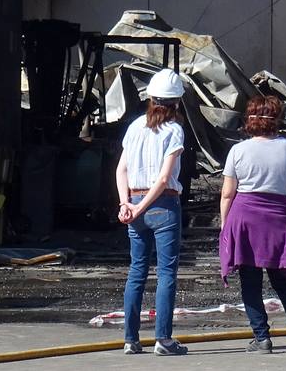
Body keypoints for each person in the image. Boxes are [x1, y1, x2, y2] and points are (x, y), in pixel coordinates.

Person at [218, 96, 286, 354]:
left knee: (250, 281)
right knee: (285, 281)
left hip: (245, 218)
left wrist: (225, 225)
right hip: (279, 217)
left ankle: (261, 337)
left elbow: (228, 193)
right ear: (277, 119)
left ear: (249, 120)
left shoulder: (238, 151)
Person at [116, 68, 189, 356]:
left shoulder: (134, 127)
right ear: (177, 103)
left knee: (136, 271)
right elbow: (163, 178)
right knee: (166, 273)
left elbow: (121, 168)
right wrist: (143, 205)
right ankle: (164, 339)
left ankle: (130, 339)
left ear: (150, 99)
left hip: (134, 202)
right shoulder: (175, 131)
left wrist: (127, 205)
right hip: (164, 205)